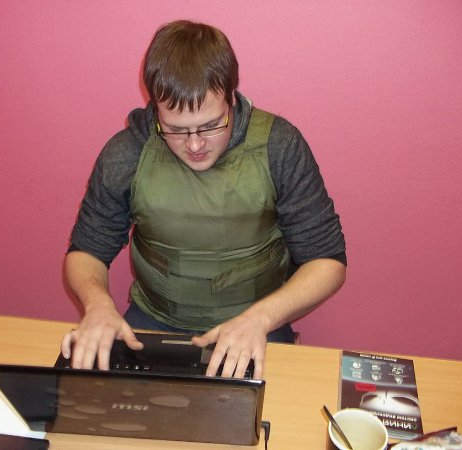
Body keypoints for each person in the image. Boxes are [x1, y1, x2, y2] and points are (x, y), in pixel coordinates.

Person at [61, 20, 346, 379]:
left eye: (211, 125)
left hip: (257, 320)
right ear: (155, 110)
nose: (195, 145)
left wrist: (261, 318)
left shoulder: (279, 147)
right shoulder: (128, 151)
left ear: (232, 99)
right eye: (176, 129)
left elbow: (327, 261)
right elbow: (86, 250)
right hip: (155, 318)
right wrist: (98, 305)